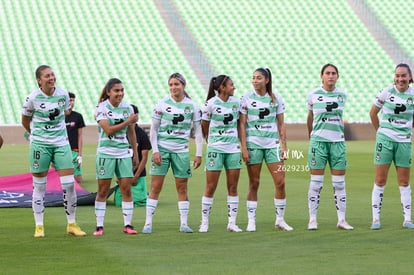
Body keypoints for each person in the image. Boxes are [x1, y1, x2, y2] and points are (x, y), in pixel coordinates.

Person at [21, 65, 86, 238]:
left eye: (52, 75)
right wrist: (37, 135)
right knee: (39, 185)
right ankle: (39, 226)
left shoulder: (63, 95)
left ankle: (72, 224)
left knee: (69, 184)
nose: (51, 78)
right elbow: (25, 120)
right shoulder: (32, 98)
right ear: (39, 80)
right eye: (47, 76)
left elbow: (63, 114)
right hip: (40, 145)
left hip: (60, 144)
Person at [142, 73, 203, 234]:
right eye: (171, 85)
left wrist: (198, 154)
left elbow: (198, 132)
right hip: (162, 150)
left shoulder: (193, 106)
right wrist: (155, 151)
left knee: (182, 187)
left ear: (184, 85)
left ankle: (184, 223)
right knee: (155, 187)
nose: (173, 87)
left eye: (176, 84)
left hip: (181, 151)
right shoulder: (161, 104)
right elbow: (153, 130)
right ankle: (148, 223)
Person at [240, 67, 293, 232]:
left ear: (267, 80)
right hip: (253, 144)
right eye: (253, 78)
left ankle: (280, 220)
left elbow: (281, 123)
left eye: (258, 78)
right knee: (254, 183)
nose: (255, 81)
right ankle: (251, 221)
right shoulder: (246, 98)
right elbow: (241, 124)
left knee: (280, 182)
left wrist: (284, 146)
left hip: (272, 145)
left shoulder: (276, 99)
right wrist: (244, 147)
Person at [306, 63, 353, 230]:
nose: (331, 76)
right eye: (327, 73)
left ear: (337, 76)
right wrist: (312, 136)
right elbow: (310, 118)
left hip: (338, 142)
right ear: (322, 76)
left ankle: (342, 220)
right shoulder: (313, 95)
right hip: (318, 142)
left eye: (334, 73)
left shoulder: (342, 95)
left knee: (339, 183)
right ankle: (312, 219)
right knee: (316, 183)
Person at [369, 63, 414, 230]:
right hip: (385, 139)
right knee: (380, 180)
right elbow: (373, 113)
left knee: (404, 181)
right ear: (394, 77)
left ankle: (407, 219)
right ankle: (375, 219)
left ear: (410, 77)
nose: (400, 79)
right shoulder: (387, 91)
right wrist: (380, 131)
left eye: (403, 76)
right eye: (398, 75)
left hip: (403, 141)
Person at [93, 78, 139, 236]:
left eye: (121, 90)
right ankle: (99, 226)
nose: (120, 93)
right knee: (103, 190)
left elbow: (131, 133)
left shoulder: (128, 108)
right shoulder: (101, 108)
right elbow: (108, 130)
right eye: (116, 91)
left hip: (124, 153)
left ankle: (128, 224)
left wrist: (135, 153)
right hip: (106, 153)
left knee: (126, 188)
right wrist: (128, 121)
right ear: (108, 92)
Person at [199, 75, 242, 233]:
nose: (234, 87)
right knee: (210, 187)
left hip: (233, 149)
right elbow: (204, 125)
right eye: (231, 85)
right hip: (215, 149)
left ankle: (232, 223)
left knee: (233, 186)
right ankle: (204, 223)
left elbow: (240, 124)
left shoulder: (237, 103)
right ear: (222, 87)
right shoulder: (210, 104)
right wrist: (211, 142)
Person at [114, 104, 152, 207]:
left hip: (138, 175)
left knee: (140, 202)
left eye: (134, 114)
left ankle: (145, 195)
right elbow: (116, 154)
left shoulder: (142, 134)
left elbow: (144, 157)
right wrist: (117, 175)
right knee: (119, 203)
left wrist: (136, 176)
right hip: (123, 173)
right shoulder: (120, 133)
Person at [65, 92, 85, 183]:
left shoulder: (78, 116)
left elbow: (80, 136)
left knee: (78, 180)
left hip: (74, 150)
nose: (71, 102)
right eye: (69, 100)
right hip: (61, 150)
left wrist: (80, 155)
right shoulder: (59, 116)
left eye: (73, 100)